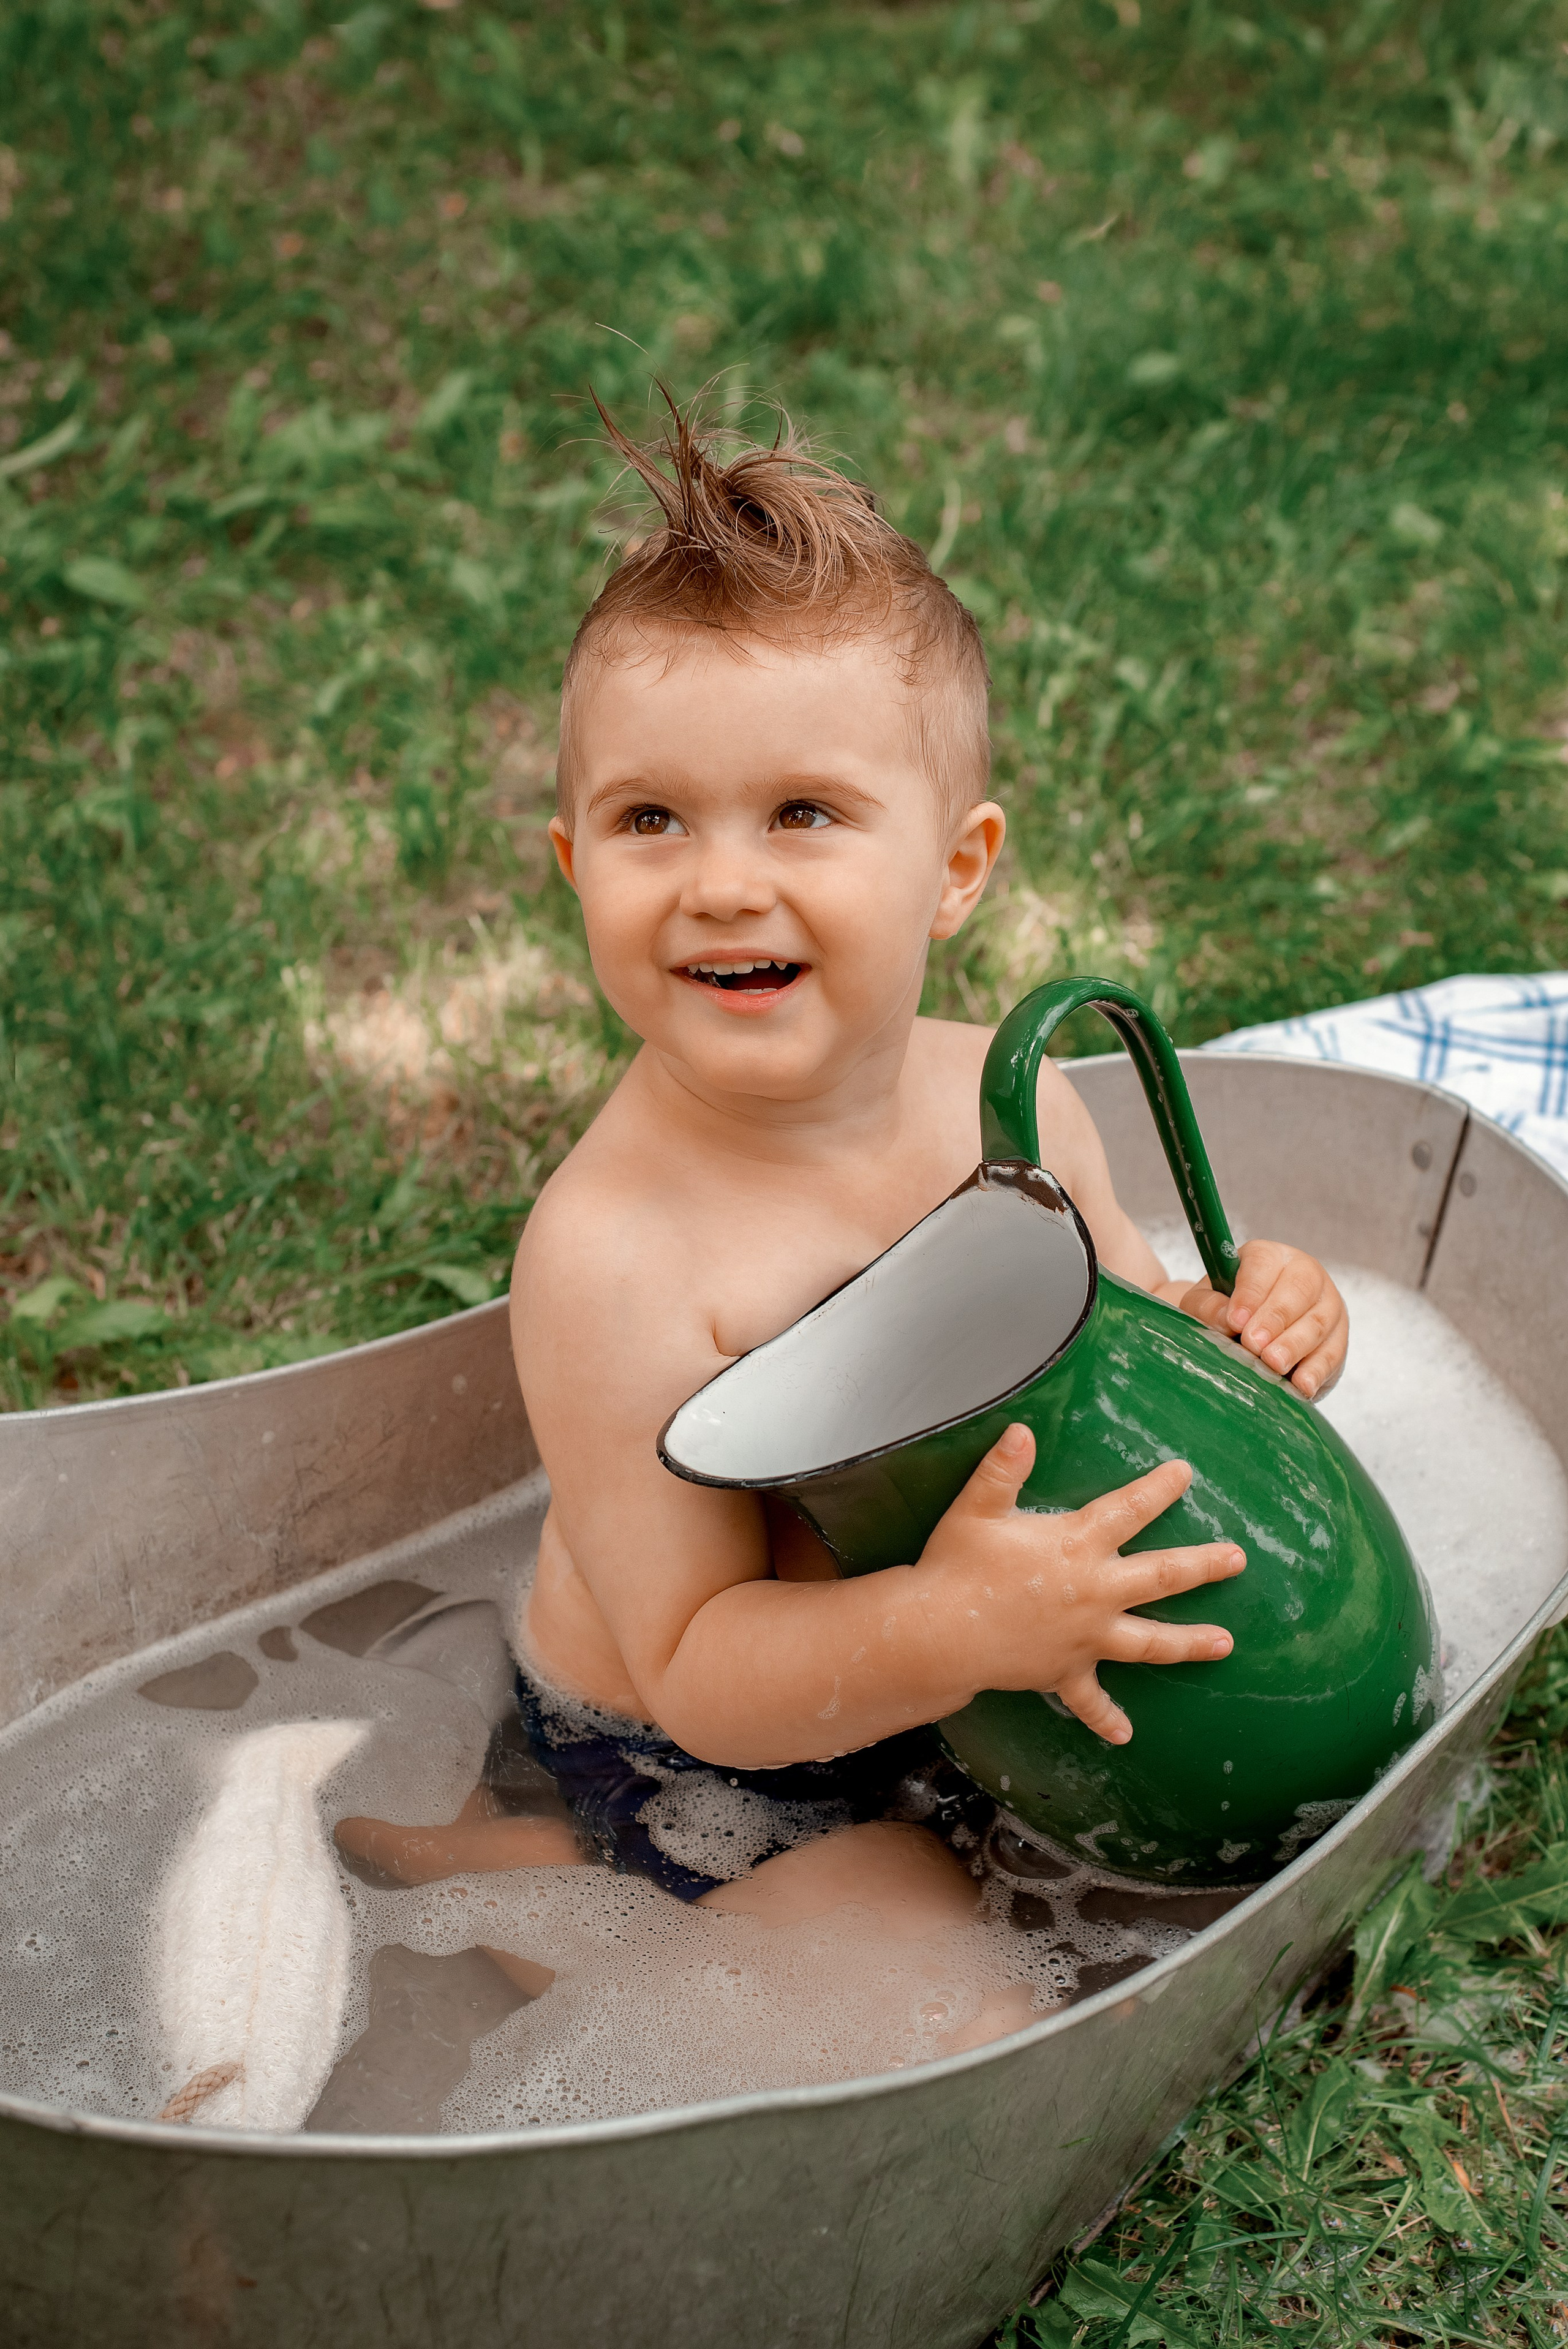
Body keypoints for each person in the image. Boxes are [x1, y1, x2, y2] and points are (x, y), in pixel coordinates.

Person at [337, 396, 1346, 2025]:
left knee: (1231, 1762)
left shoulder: (1012, 1111)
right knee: (958, 2005)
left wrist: (1257, 1330)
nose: (722, 880)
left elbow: (1140, 1358)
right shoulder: (618, 1254)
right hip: (700, 1748)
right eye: (651, 818)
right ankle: (523, 1888)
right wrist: (952, 1626)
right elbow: (700, 1667)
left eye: (801, 811)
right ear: (572, 861)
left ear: (957, 866)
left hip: (966, 1661)